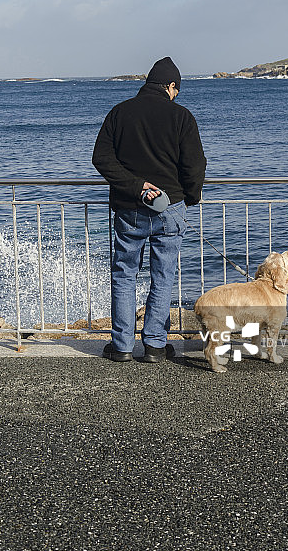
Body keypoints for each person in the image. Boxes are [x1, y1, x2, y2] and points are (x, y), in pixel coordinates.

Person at [92, 56, 206, 363]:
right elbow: (195, 166)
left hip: (130, 208)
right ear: (170, 86)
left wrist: (136, 185)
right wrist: (190, 198)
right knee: (163, 275)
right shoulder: (182, 117)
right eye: (176, 89)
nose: (176, 95)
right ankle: (155, 345)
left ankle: (122, 347)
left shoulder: (119, 113)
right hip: (171, 208)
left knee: (124, 274)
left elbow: (101, 159)